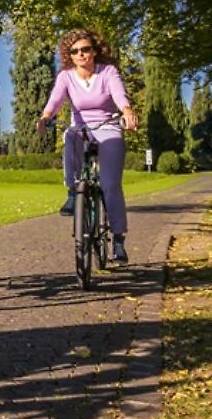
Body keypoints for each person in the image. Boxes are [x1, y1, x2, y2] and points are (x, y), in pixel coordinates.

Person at [36, 28, 138, 262]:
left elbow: (120, 96)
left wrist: (127, 111)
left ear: (94, 51)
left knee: (110, 185)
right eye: (75, 51)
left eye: (86, 49)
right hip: (81, 129)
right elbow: (55, 100)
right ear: (69, 55)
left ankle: (119, 240)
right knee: (71, 136)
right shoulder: (66, 76)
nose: (81, 54)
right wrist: (45, 117)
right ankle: (73, 192)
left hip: (108, 126)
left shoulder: (108, 72)